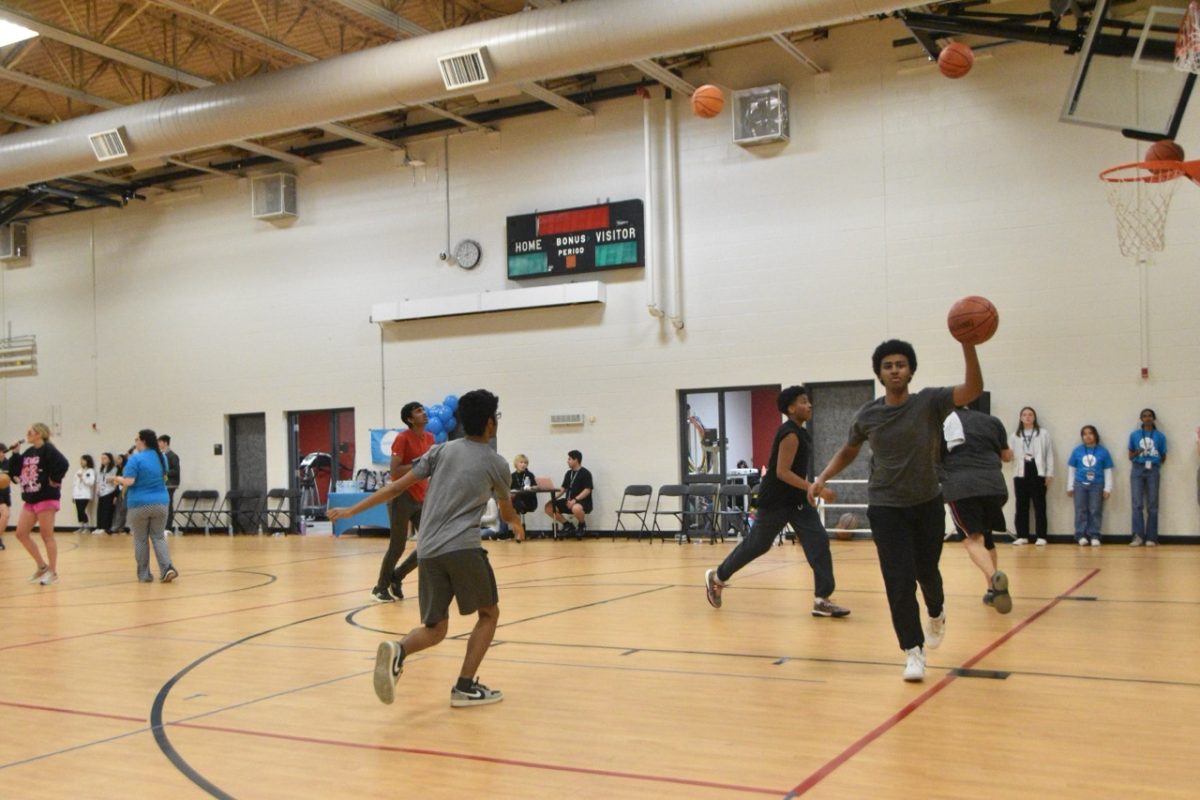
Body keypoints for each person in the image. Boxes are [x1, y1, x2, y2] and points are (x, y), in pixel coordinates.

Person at [327, 389, 525, 708]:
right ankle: (464, 687)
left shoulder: (441, 450)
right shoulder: (496, 463)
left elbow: (393, 486)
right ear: (490, 423)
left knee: (435, 628)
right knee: (489, 614)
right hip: (462, 548)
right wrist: (516, 522)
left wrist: (351, 511)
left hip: (427, 550)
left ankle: (399, 650)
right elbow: (505, 512)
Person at [810, 338, 983, 682]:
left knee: (926, 572)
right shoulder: (869, 414)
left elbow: (973, 388)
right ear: (879, 372)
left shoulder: (930, 402)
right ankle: (912, 651)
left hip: (926, 503)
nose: (894, 370)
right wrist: (823, 476)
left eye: (900, 364)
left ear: (911, 370)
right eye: (887, 366)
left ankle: (936, 611)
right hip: (886, 506)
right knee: (898, 580)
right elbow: (849, 449)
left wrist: (967, 344)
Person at [704, 385, 850, 618]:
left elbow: (795, 473)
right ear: (791, 408)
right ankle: (718, 576)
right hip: (776, 501)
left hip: (796, 501)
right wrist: (814, 488)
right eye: (803, 401)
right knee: (758, 545)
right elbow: (782, 472)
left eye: (808, 401)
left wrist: (808, 491)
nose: (809, 405)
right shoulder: (790, 433)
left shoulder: (801, 432)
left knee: (819, 542)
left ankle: (822, 600)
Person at [941, 407, 1014, 614]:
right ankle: (992, 591)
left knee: (972, 539)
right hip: (994, 486)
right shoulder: (991, 421)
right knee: (986, 537)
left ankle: (995, 578)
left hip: (962, 487)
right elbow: (1006, 456)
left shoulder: (943, 422)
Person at [371, 401, 434, 603]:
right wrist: (420, 463)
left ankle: (397, 576)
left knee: (429, 542)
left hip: (421, 497)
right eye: (418, 411)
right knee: (397, 546)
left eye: (423, 410)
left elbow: (429, 467)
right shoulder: (402, 438)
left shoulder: (430, 438)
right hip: (401, 496)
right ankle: (380, 588)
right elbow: (395, 471)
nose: (423, 413)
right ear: (409, 419)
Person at [111, 429, 179, 582]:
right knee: (159, 537)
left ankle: (144, 574)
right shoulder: (162, 457)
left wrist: (116, 479)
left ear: (142, 441)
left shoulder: (135, 459)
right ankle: (167, 567)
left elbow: (130, 481)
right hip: (161, 502)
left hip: (139, 504)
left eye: (136, 439)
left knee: (141, 539)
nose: (135, 442)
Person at [8, 423, 70, 585]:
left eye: (30, 432)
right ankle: (42, 566)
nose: (27, 434)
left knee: (46, 535)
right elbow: (15, 470)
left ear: (39, 434)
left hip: (46, 497)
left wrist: (55, 479)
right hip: (30, 498)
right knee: (21, 533)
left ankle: (53, 572)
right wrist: (15, 454)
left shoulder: (48, 449)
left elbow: (63, 464)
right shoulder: (29, 452)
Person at [1010, 406, 1053, 546]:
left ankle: (1041, 536)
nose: (1027, 417)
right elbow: (1009, 454)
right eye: (1024, 414)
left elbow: (1049, 454)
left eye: (1030, 414)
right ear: (1020, 418)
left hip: (1037, 469)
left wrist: (1049, 473)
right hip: (1021, 470)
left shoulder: (1043, 433)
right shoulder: (1014, 435)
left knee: (1039, 504)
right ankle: (1022, 535)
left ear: (1034, 417)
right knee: (1021, 504)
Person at [1066, 425, 1114, 547]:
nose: (1088, 436)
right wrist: (1070, 486)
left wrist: (1107, 488)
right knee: (1080, 510)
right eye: (1085, 434)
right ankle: (1080, 535)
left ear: (1095, 435)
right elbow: (1072, 469)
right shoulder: (1077, 451)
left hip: (1097, 484)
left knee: (1095, 510)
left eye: (1090, 433)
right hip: (1080, 484)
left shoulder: (1103, 451)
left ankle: (1094, 535)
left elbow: (1107, 470)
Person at [1128, 408, 1167, 546]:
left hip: (1153, 469)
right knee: (1137, 504)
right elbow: (1130, 456)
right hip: (1138, 469)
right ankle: (1137, 536)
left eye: (1150, 416)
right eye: (1144, 416)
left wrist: (1153, 460)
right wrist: (1138, 453)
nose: (1147, 418)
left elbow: (1163, 456)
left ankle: (1151, 537)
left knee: (1152, 505)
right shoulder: (1134, 435)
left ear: (1153, 418)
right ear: (1141, 419)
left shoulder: (1160, 436)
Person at [544, 450, 593, 537]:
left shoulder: (586, 473)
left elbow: (587, 490)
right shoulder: (568, 473)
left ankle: (582, 525)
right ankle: (567, 525)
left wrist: (575, 500)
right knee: (548, 507)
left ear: (576, 460)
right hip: (568, 501)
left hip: (582, 502)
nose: (567, 461)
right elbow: (563, 489)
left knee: (576, 508)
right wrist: (553, 498)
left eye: (569, 459)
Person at [501, 454, 537, 538]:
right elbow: (507, 490)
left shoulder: (529, 475)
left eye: (525, 463)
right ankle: (513, 532)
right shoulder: (512, 476)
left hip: (528, 501)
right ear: (516, 464)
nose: (523, 464)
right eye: (521, 462)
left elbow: (535, 486)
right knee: (509, 503)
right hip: (516, 501)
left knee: (513, 505)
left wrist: (531, 487)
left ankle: (518, 533)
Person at [158, 435, 180, 533]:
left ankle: (168, 527)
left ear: (165, 443)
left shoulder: (172, 455)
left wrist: (165, 472)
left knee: (168, 505)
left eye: (160, 442)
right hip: (162, 484)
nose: (158, 444)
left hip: (170, 484)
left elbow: (176, 471)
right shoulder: (161, 455)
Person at [95, 452, 119, 535]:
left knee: (107, 510)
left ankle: (105, 527)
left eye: (104, 458)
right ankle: (99, 527)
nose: (102, 460)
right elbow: (99, 480)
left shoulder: (114, 469)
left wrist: (112, 480)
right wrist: (97, 488)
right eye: (101, 458)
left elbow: (116, 480)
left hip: (109, 491)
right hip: (101, 491)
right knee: (100, 509)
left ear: (109, 459)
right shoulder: (101, 469)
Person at [72, 454, 96, 533]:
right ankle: (81, 526)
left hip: (85, 495)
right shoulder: (78, 471)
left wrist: (83, 477)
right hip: (77, 494)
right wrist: (73, 495)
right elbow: (75, 484)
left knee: (82, 510)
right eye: (81, 460)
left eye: (83, 460)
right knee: (78, 510)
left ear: (87, 461)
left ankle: (87, 527)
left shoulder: (90, 471)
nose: (81, 462)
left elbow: (91, 483)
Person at [111, 452, 129, 533]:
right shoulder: (118, 470)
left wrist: (119, 481)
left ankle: (118, 527)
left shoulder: (126, 469)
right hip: (118, 490)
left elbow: (126, 480)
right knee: (118, 509)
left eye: (119, 458)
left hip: (125, 490)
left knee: (123, 509)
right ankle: (117, 526)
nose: (117, 460)